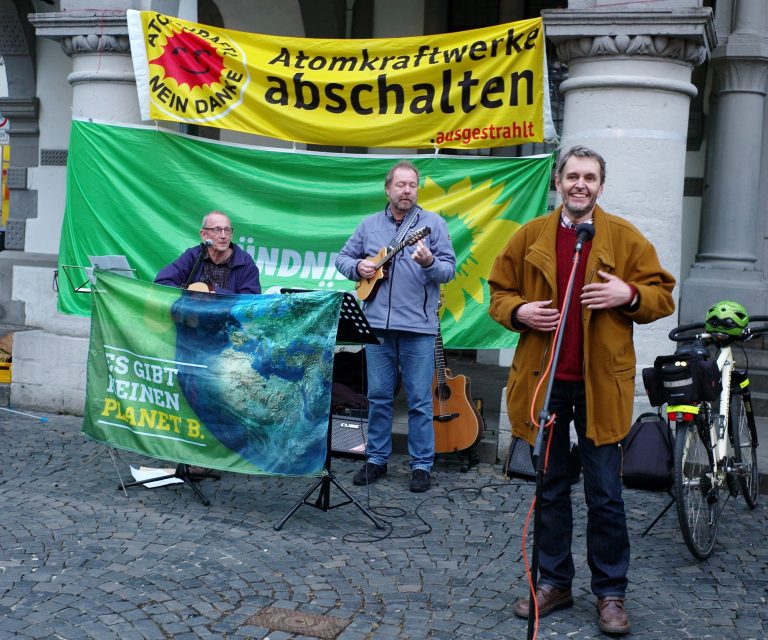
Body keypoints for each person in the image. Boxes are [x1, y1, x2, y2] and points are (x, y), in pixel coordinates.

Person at [488, 146, 675, 635]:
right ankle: (554, 582)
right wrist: (519, 312)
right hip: (546, 384)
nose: (580, 184)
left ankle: (611, 593)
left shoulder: (625, 237)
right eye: (572, 175)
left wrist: (628, 295)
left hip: (600, 387)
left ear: (600, 186)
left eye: (589, 177)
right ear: (557, 181)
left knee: (606, 493)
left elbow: (662, 296)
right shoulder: (531, 236)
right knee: (550, 490)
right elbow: (498, 294)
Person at [335, 160, 456, 493]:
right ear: (388, 189)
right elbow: (342, 259)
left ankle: (420, 465)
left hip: (418, 328)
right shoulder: (369, 225)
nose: (407, 190)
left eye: (412, 185)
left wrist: (430, 263)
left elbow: (449, 270)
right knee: (378, 398)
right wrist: (359, 266)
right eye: (401, 185)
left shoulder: (433, 225)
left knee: (419, 400)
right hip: (376, 327)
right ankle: (376, 459)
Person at [155, 210, 261, 294]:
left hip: (228, 320)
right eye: (217, 230)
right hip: (193, 318)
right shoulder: (193, 255)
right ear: (204, 235)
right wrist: (188, 295)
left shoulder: (245, 261)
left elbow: (251, 302)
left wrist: (213, 293)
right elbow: (161, 282)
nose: (223, 236)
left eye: (227, 230)